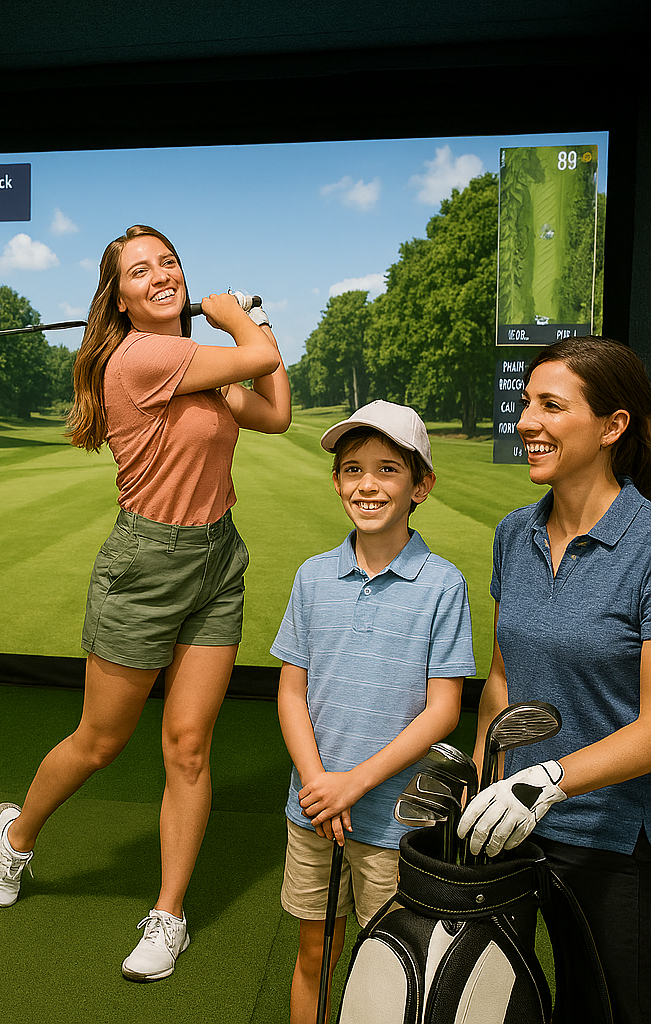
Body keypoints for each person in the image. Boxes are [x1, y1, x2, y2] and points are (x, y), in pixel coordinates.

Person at [0, 224, 291, 980]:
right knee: (101, 740)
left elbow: (275, 411)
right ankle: (17, 834)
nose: (161, 275)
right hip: (146, 568)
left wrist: (255, 327)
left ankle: (168, 915)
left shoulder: (196, 368)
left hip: (217, 560)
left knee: (188, 747)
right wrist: (238, 319)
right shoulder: (142, 357)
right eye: (141, 269)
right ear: (118, 299)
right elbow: (257, 359)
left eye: (170, 263)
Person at [458, 336, 651, 1024]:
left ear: (612, 425)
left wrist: (549, 781)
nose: (526, 421)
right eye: (525, 402)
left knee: (606, 1008)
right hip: (509, 827)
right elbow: (501, 681)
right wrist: (481, 782)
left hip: (610, 837)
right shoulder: (514, 534)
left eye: (551, 405)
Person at [272, 400, 475, 1024]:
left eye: (388, 470)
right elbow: (291, 692)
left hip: (394, 821)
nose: (368, 484)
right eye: (353, 469)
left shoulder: (443, 584)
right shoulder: (312, 577)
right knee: (315, 956)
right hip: (314, 811)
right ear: (337, 482)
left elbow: (443, 711)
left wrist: (352, 784)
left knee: (390, 969)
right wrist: (319, 786)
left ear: (421, 486)